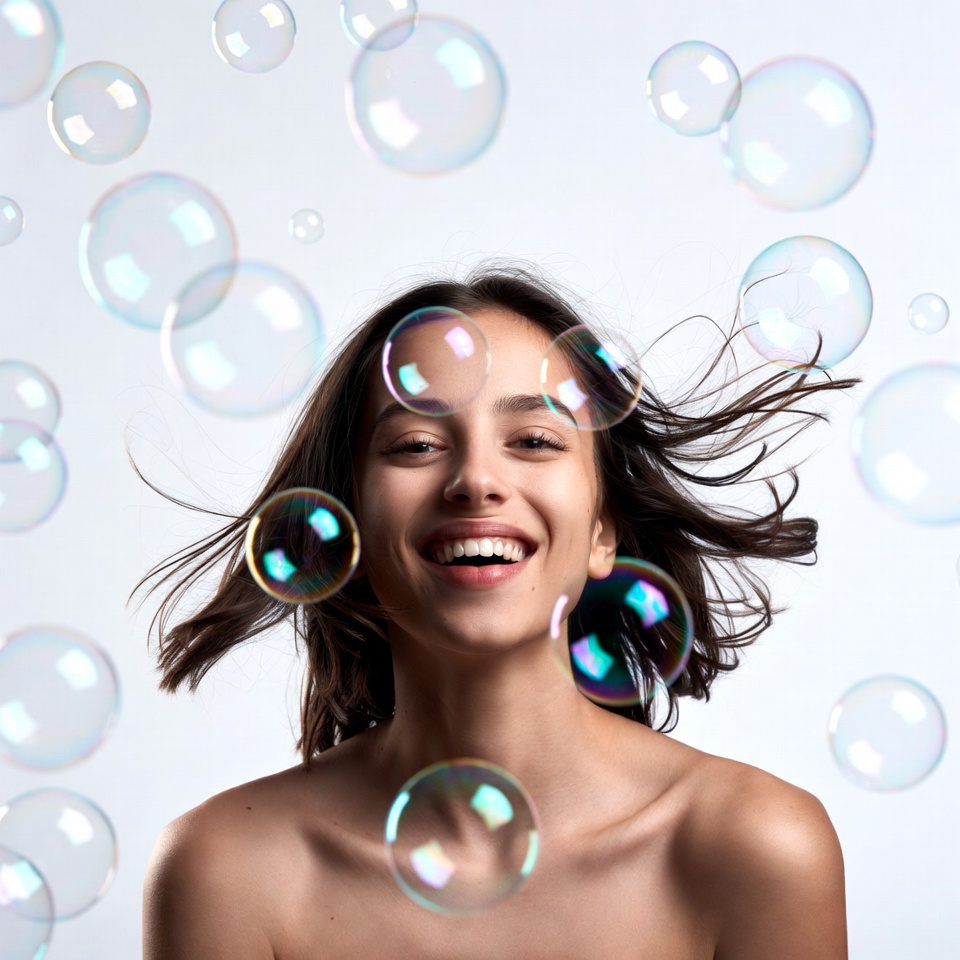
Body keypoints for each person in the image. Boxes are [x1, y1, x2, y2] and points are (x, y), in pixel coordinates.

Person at [140, 265, 852, 958]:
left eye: (535, 442)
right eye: (416, 445)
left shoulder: (756, 848)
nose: (476, 480)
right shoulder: (225, 873)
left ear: (604, 528)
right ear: (342, 527)